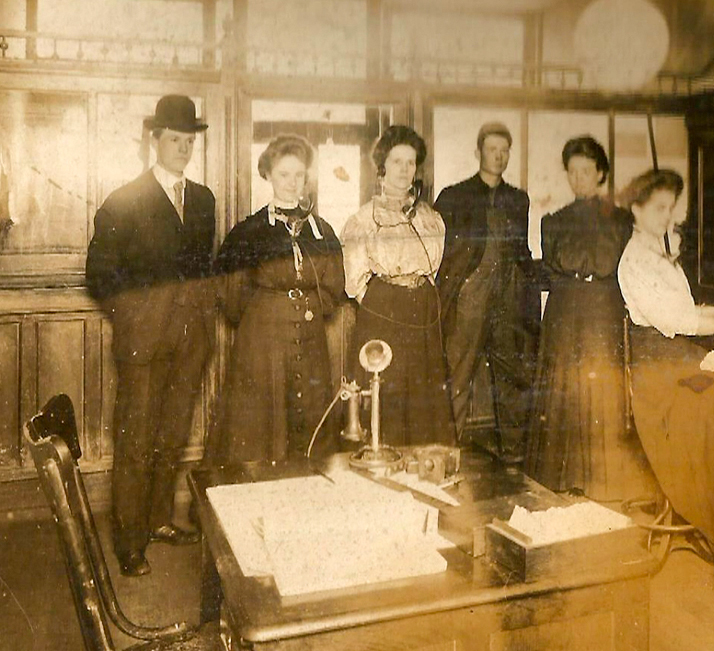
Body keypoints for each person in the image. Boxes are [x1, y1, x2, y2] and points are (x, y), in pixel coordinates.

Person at [85, 95, 216, 577]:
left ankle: (160, 520)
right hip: (144, 342)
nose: (183, 148)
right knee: (136, 442)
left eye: (189, 140)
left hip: (190, 340)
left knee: (172, 435)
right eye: (174, 139)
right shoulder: (124, 199)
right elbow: (100, 274)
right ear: (154, 140)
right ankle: (129, 541)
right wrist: (137, 318)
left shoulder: (203, 200)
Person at [525, 136, 654, 501]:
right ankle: (562, 477)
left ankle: (607, 482)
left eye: (587, 170)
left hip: (604, 308)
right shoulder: (554, 221)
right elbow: (552, 265)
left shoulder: (623, 221)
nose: (579, 177)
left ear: (600, 172)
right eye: (573, 171)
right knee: (565, 385)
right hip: (565, 310)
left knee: (602, 387)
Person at [617, 169, 714, 553]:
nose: (667, 216)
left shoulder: (661, 254)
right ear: (636, 209)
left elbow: (688, 309)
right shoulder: (635, 260)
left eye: (671, 208)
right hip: (656, 370)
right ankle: (707, 516)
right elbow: (679, 321)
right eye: (659, 208)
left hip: (675, 356)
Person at [209, 134, 344, 464]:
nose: (292, 183)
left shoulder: (321, 230)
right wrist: (267, 312)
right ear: (268, 175)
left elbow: (334, 287)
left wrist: (309, 306)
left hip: (310, 340)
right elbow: (230, 295)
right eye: (284, 175)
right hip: (262, 343)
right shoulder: (248, 231)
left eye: (299, 175)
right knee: (259, 427)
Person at [341, 125, 453, 446]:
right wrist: (387, 300)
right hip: (384, 312)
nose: (404, 170)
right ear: (382, 167)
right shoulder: (364, 219)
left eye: (410, 162)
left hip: (423, 312)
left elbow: (434, 268)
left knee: (423, 394)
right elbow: (356, 282)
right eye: (397, 162)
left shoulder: (430, 218)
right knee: (385, 388)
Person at [435, 122, 534, 464]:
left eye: (505, 150)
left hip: (508, 297)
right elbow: (442, 253)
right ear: (479, 153)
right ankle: (448, 450)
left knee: (512, 376)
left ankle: (514, 454)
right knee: (458, 374)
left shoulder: (518, 199)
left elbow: (523, 252)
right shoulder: (454, 196)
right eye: (493, 150)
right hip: (471, 297)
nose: (500, 156)